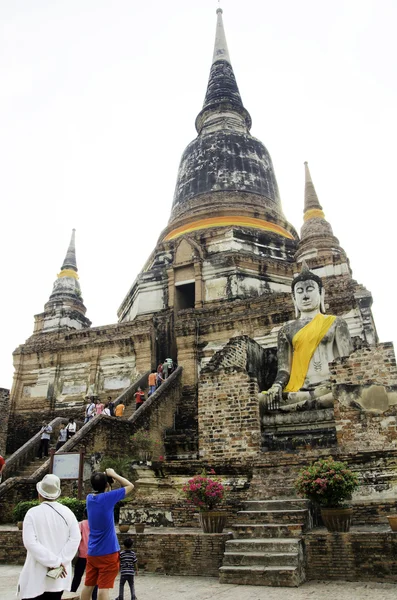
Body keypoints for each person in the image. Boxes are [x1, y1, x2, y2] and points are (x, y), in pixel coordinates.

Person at [263, 262, 352, 411]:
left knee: (347, 394)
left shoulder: (336, 323)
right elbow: (284, 370)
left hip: (329, 386)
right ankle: (312, 403)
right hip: (298, 391)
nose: (305, 296)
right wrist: (276, 386)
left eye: (310, 289)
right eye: (299, 291)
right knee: (261, 401)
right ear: (294, 298)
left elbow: (348, 362)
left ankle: (315, 403)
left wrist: (343, 383)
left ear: (321, 293)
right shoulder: (286, 330)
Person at [17, 473, 80, 600]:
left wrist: (54, 562)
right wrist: (60, 562)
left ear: (39, 493)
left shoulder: (32, 514)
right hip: (58, 576)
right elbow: (75, 539)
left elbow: (30, 543)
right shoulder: (68, 513)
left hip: (36, 574)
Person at [80, 468, 134, 600]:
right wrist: (113, 474)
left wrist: (106, 479)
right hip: (108, 552)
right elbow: (130, 485)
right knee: (103, 588)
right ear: (107, 485)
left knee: (88, 585)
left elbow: (101, 490)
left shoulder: (89, 499)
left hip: (92, 552)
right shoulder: (108, 498)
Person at [70, 509, 98, 600]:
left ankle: (72, 593)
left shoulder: (81, 524)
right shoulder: (96, 524)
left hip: (82, 555)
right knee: (94, 578)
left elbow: (76, 538)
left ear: (84, 514)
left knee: (77, 576)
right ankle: (94, 597)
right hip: (94, 555)